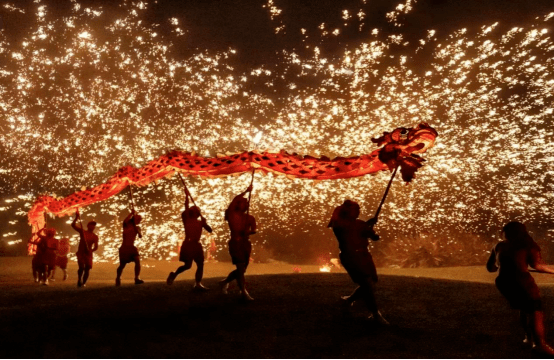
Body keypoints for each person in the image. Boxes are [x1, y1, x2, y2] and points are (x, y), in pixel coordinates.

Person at [487, 221, 554, 355]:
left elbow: (491, 268)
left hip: (503, 282)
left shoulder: (499, 245)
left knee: (524, 309)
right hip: (521, 281)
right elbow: (537, 265)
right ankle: (540, 344)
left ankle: (528, 339)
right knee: (536, 311)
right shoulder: (528, 245)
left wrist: (503, 264)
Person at [328, 200, 388, 325]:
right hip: (351, 256)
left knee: (371, 282)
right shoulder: (338, 224)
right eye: (356, 209)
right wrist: (367, 224)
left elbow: (373, 237)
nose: (359, 211)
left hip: (364, 255)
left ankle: (349, 299)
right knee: (367, 283)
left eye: (359, 209)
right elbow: (349, 231)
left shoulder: (360, 223)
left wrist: (370, 230)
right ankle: (375, 314)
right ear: (347, 211)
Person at [167, 194, 213, 289]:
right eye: (194, 210)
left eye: (197, 211)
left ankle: (198, 283)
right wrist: (187, 196)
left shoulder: (200, 223)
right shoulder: (187, 219)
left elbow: (210, 230)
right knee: (188, 266)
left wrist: (205, 223)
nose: (195, 211)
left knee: (200, 264)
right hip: (188, 244)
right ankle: (174, 274)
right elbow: (186, 208)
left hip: (197, 245)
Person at [219, 184, 256, 301]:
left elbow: (253, 230)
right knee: (240, 269)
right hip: (235, 243)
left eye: (246, 202)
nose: (244, 203)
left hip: (246, 244)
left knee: (242, 269)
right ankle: (243, 292)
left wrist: (248, 232)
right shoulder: (231, 214)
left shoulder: (250, 218)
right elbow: (234, 199)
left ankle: (225, 281)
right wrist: (246, 191)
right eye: (242, 201)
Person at [116, 209, 144, 286]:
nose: (139, 221)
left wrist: (138, 231)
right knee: (122, 265)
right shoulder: (126, 225)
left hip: (132, 247)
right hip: (124, 247)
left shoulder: (137, 228)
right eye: (138, 219)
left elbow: (140, 236)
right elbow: (125, 220)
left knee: (137, 260)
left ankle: (136, 278)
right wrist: (131, 213)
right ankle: (118, 277)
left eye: (140, 220)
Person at [71, 210, 99, 287]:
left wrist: (91, 250)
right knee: (81, 267)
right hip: (81, 252)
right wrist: (76, 218)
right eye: (91, 225)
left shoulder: (95, 236)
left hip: (88, 254)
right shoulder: (82, 232)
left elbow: (96, 247)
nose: (93, 226)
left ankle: (84, 283)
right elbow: (73, 225)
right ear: (88, 226)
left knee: (87, 268)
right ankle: (79, 279)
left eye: (94, 225)